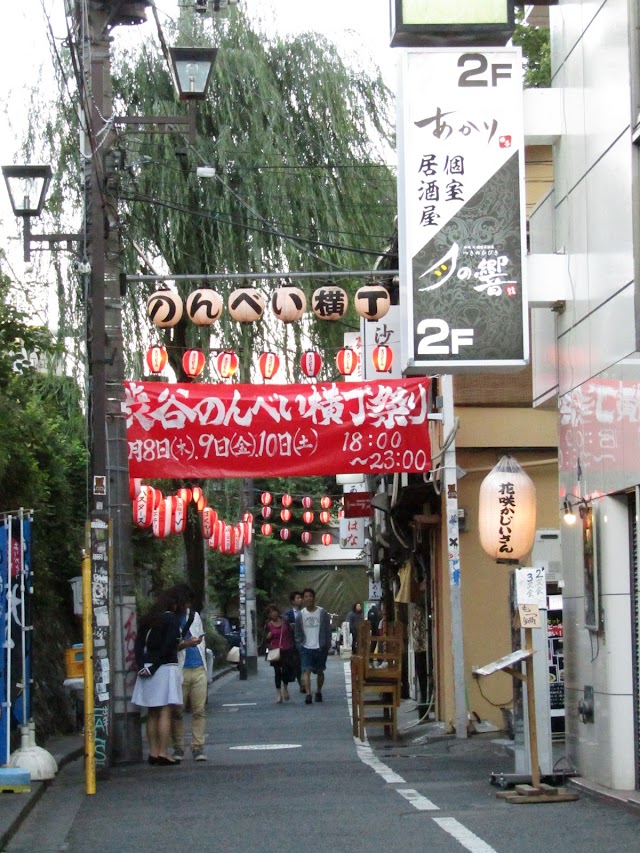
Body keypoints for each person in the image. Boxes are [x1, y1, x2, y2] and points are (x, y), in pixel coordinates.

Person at [132, 587, 199, 766]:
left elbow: (138, 643)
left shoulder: (149, 618)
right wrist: (155, 667)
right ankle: (163, 752)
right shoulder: (171, 619)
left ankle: (153, 752)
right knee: (165, 711)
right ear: (175, 604)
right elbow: (169, 645)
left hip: (145, 666)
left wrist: (141, 665)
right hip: (164, 667)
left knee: (151, 712)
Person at [170, 583, 208, 762]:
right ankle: (178, 747)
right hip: (180, 668)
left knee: (199, 710)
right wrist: (186, 644)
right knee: (177, 710)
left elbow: (201, 639)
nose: (187, 605)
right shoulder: (171, 619)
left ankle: (197, 746)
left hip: (198, 666)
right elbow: (169, 646)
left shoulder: (195, 616)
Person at [294, 588, 331, 704]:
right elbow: (297, 632)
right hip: (306, 647)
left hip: (320, 647)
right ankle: (308, 694)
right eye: (306, 596)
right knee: (306, 670)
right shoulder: (301, 615)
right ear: (303, 599)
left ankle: (318, 691)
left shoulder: (322, 612)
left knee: (320, 671)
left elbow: (327, 630)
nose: (308, 598)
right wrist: (300, 645)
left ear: (314, 598)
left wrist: (327, 644)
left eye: (310, 596)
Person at [264, 603, 296, 703]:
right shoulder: (268, 625)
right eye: (271, 612)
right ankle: (278, 693)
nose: (273, 614)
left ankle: (285, 688)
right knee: (277, 672)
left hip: (287, 649)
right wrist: (268, 638)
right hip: (275, 650)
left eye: (275, 611)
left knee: (286, 670)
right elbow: (264, 640)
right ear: (268, 615)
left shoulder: (285, 621)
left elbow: (291, 633)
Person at [284, 591, 304, 692]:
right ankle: (301, 683)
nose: (300, 600)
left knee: (303, 663)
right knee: (296, 664)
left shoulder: (305, 612)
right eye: (298, 598)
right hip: (292, 642)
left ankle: (303, 683)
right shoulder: (288, 614)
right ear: (293, 601)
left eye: (301, 598)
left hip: (304, 641)